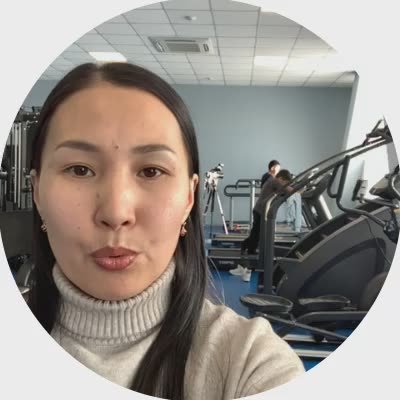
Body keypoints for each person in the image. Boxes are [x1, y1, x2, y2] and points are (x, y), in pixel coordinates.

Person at [27, 62, 304, 400]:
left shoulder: (249, 362)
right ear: (37, 191)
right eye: (80, 170)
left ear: (189, 197)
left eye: (151, 171)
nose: (116, 213)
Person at [230, 170, 293, 281]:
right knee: (257, 233)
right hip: (260, 210)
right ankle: (248, 248)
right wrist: (299, 190)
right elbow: (288, 190)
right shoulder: (275, 181)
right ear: (281, 179)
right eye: (285, 182)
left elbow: (285, 190)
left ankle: (248, 247)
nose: (285, 184)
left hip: (261, 210)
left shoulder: (274, 182)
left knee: (257, 232)